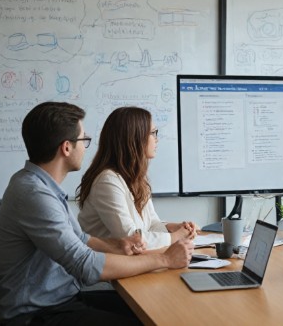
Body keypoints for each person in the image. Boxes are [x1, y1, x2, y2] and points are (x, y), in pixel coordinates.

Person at [0, 102, 195, 325]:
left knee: (157, 309)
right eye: (83, 140)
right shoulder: (33, 194)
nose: (86, 147)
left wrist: (117, 245)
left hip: (60, 299)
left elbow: (80, 239)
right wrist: (164, 258)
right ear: (66, 147)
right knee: (149, 319)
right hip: (36, 313)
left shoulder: (41, 187)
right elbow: (86, 266)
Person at [77, 106, 198, 250]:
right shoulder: (107, 181)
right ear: (135, 138)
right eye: (153, 133)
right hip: (108, 268)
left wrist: (173, 228)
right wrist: (176, 237)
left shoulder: (136, 178)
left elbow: (151, 224)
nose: (157, 139)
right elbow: (130, 237)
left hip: (129, 264)